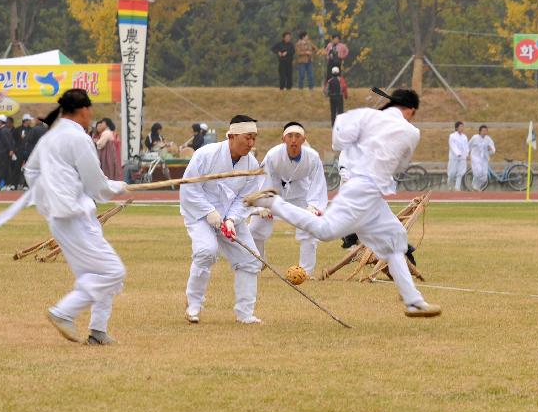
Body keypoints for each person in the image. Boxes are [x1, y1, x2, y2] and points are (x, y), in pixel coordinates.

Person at [244, 89, 441, 318]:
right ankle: (271, 201)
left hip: (371, 193)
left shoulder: (367, 117)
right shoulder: (410, 131)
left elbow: (338, 138)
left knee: (396, 238)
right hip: (361, 188)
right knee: (325, 230)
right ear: (411, 111)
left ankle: (413, 301)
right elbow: (398, 165)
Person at [24, 88, 128, 345]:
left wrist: (51, 199)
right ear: (84, 110)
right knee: (113, 272)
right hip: (75, 217)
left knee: (93, 274)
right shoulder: (79, 138)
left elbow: (31, 172)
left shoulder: (50, 138)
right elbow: (96, 184)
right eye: (90, 110)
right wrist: (116, 186)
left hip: (62, 218)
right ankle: (64, 311)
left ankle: (98, 330)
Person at [180, 115, 263, 325]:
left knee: (251, 260)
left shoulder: (252, 164)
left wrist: (231, 219)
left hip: (230, 218)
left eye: (254, 138)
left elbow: (245, 198)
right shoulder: (205, 155)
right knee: (206, 251)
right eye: (247, 138)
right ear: (232, 135)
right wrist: (209, 212)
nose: (251, 143)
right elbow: (190, 188)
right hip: (200, 214)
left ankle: (245, 313)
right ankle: (194, 305)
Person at [249, 122, 327, 277]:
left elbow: (317, 183)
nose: (293, 140)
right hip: (275, 194)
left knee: (309, 228)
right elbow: (264, 180)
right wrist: (264, 205)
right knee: (256, 227)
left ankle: (306, 272)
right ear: (283, 139)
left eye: (298, 136)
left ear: (304, 139)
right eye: (289, 136)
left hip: (300, 196)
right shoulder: (273, 155)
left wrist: (313, 206)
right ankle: (258, 262)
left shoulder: (313, 157)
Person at [469, 125, 496, 190]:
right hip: (475, 157)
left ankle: (476, 187)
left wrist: (490, 150)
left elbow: (493, 149)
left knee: (484, 177)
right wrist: (467, 154)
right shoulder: (474, 137)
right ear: (480, 131)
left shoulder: (488, 139)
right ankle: (474, 185)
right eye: (483, 130)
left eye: (486, 131)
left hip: (484, 158)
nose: (485, 132)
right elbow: (468, 146)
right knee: (478, 172)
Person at [0, 114, 16, 190]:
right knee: (6, 169)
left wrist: (11, 150)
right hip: (4, 153)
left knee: (0, 169)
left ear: (1, 122)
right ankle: (7, 185)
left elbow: (8, 142)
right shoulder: (5, 130)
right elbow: (10, 141)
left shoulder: (3, 131)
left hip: (3, 153)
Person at [447, 121, 468, 191]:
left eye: (463, 126)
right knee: (452, 173)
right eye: (460, 126)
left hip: (462, 158)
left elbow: (466, 147)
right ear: (456, 127)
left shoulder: (464, 137)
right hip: (454, 158)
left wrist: (466, 154)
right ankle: (449, 186)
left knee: (460, 173)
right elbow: (453, 146)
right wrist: (458, 153)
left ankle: (457, 188)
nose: (462, 128)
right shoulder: (452, 136)